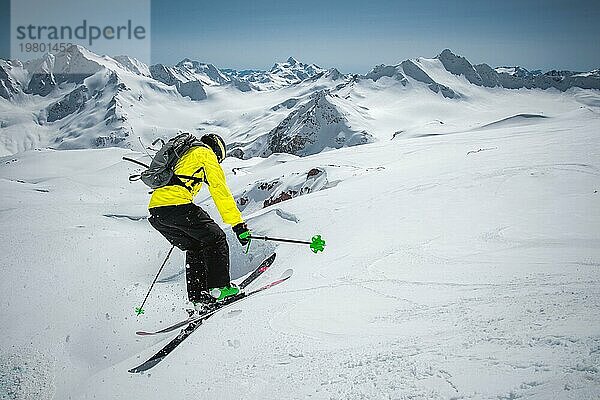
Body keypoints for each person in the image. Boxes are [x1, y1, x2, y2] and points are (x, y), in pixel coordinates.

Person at [147, 133, 250, 313]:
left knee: (196, 247)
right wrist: (238, 225)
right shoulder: (205, 154)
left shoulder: (185, 155)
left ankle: (199, 298)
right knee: (216, 239)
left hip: (157, 213)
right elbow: (220, 191)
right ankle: (220, 289)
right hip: (177, 206)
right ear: (217, 151)